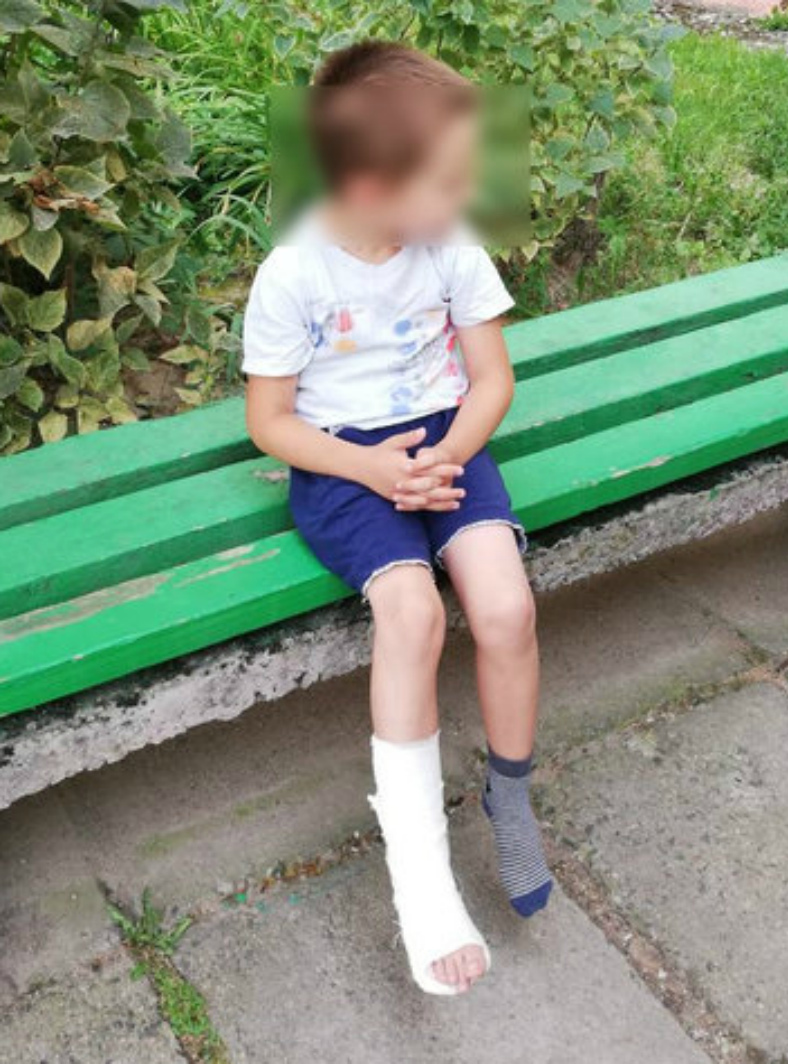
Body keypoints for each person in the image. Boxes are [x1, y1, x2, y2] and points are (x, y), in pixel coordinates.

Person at [243, 40, 552, 996]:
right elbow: (272, 423)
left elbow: (490, 379)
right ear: (372, 186)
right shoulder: (295, 274)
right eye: (448, 180)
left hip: (446, 444)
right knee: (413, 615)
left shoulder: (450, 247)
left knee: (505, 609)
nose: (467, 195)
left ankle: (509, 797)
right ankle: (421, 874)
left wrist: (447, 456)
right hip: (342, 462)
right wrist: (374, 469)